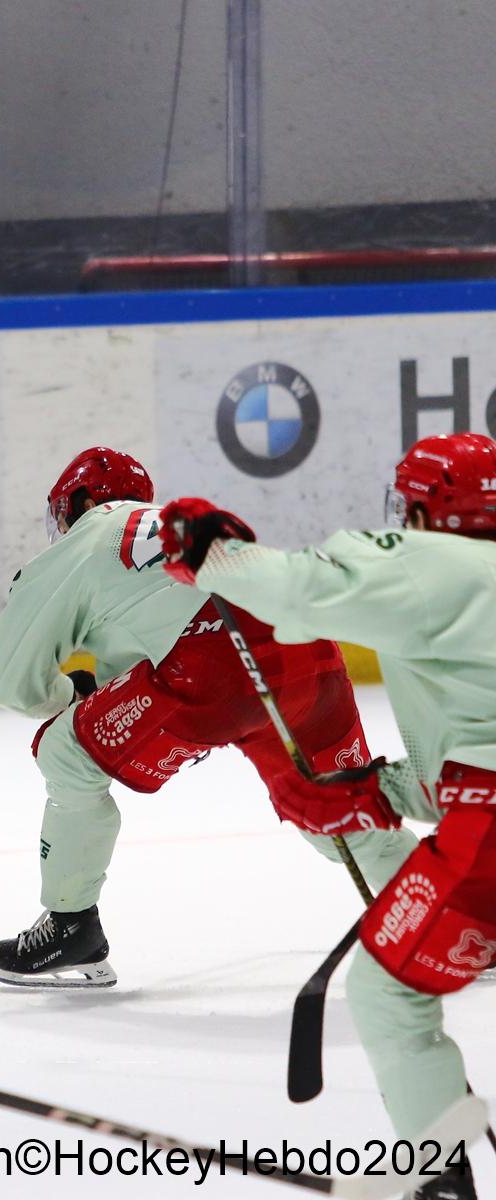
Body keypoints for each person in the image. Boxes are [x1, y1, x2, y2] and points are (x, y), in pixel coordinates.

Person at [160, 431, 496, 1200]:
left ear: (423, 506)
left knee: (388, 993)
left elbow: (300, 592)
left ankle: (435, 1178)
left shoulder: (431, 560)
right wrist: (381, 787)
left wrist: (210, 545)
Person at [0, 447, 412, 987]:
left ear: (85, 501)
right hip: (309, 650)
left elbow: (11, 685)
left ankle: (72, 927)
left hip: (215, 670)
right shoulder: (181, 525)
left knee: (66, 755)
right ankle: (457, 920)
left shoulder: (83, 541)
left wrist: (72, 693)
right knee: (335, 802)